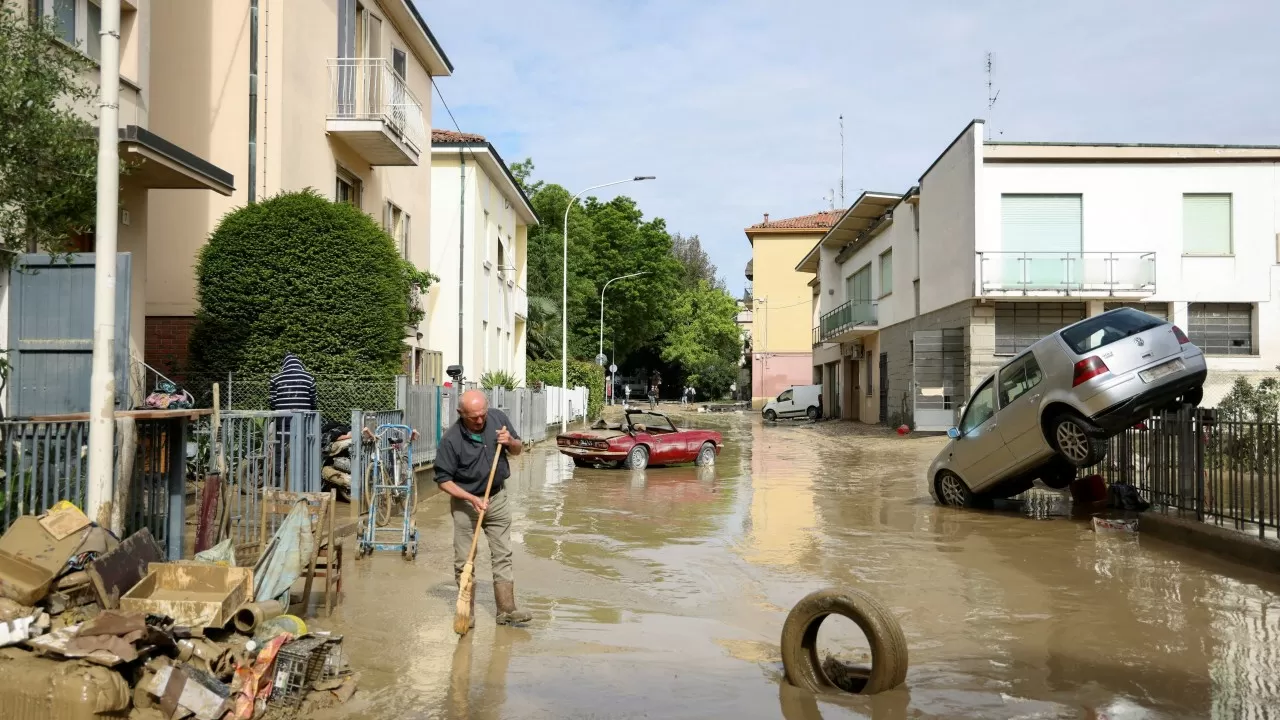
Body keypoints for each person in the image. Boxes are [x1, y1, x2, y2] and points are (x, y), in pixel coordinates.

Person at [434, 390, 532, 627]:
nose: (479, 420)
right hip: (465, 503)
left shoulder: (497, 419)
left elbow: (518, 450)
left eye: (482, 415)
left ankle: (507, 610)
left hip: (496, 497)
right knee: (464, 558)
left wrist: (510, 442)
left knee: (503, 554)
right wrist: (471, 498)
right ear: (460, 414)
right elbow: (443, 481)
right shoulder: (451, 440)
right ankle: (466, 613)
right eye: (473, 417)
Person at [268, 353, 317, 472]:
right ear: (299, 364)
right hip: (303, 420)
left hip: (282, 419)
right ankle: (303, 475)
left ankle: (279, 475)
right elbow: (314, 401)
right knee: (303, 448)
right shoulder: (309, 378)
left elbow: (272, 402)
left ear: (284, 364)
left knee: (280, 447)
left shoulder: (275, 378)